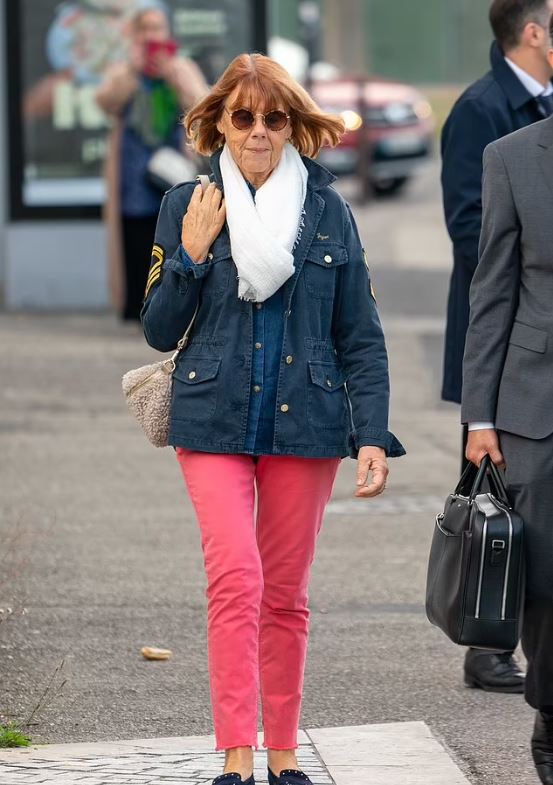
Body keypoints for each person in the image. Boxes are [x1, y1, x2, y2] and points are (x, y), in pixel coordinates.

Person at [141, 53, 404, 785]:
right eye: (243, 117)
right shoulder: (187, 204)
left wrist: (371, 434)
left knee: (284, 595)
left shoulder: (328, 212)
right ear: (219, 124)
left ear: (292, 126)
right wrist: (191, 254)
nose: (258, 131)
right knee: (236, 580)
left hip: (307, 422)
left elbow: (360, 335)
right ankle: (236, 755)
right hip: (211, 419)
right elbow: (158, 330)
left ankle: (283, 754)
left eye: (274, 118)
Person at [440, 0, 553, 694]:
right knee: (531, 559)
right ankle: (524, 684)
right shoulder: (495, 132)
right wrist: (478, 414)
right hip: (531, 393)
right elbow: (484, 273)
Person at [95, 0, 207, 321]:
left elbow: (202, 105)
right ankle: (134, 308)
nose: (150, 35)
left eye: (156, 28)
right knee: (135, 237)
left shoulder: (182, 67)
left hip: (173, 169)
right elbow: (105, 101)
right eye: (144, 29)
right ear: (134, 34)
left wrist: (173, 75)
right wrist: (133, 71)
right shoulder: (125, 69)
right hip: (132, 171)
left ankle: (171, 309)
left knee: (174, 234)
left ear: (167, 32)